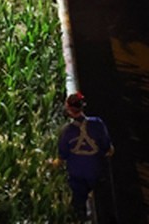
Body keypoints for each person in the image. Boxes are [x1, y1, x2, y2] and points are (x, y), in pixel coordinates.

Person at [56, 91, 113, 221]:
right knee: (101, 198)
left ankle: (82, 216)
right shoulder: (97, 124)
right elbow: (107, 147)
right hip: (95, 170)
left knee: (79, 202)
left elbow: (61, 157)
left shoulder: (66, 132)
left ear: (68, 109)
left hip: (77, 173)